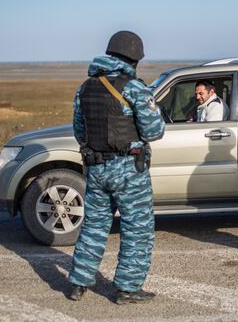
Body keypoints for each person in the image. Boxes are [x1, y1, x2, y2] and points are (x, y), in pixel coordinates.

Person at [68, 31, 165, 304]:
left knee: (94, 227)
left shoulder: (85, 88)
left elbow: (79, 131)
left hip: (96, 168)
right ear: (134, 58)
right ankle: (127, 289)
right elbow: (154, 131)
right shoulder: (134, 88)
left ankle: (78, 283)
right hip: (129, 170)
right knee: (137, 229)